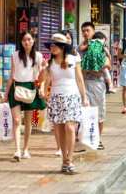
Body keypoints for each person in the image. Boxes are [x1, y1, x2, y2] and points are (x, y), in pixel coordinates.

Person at [43, 33, 89, 174]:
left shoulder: (74, 59)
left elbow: (79, 79)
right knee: (59, 130)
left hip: (72, 96)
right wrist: (44, 92)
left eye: (55, 45)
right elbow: (47, 80)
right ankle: (64, 160)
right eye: (51, 45)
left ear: (62, 47)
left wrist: (84, 96)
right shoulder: (49, 63)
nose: (52, 48)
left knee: (70, 127)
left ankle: (69, 160)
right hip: (56, 98)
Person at [5, 32, 47, 161]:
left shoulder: (38, 56)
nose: (26, 42)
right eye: (24, 40)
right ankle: (17, 150)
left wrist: (42, 85)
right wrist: (6, 93)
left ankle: (26, 149)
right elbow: (12, 74)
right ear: (21, 42)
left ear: (33, 41)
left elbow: (42, 77)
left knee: (28, 121)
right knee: (17, 120)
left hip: (30, 87)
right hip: (16, 87)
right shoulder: (15, 55)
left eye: (29, 39)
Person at [81, 27, 109, 150]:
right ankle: (92, 139)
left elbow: (107, 64)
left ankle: (96, 139)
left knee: (95, 112)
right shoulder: (86, 50)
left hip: (93, 84)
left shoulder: (90, 52)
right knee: (94, 112)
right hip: (94, 84)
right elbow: (105, 66)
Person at [79, 22, 115, 94]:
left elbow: (107, 65)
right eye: (83, 31)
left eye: (87, 30)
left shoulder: (100, 47)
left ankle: (110, 85)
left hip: (98, 84)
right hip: (83, 84)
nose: (85, 33)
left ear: (93, 31)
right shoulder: (79, 48)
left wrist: (89, 69)